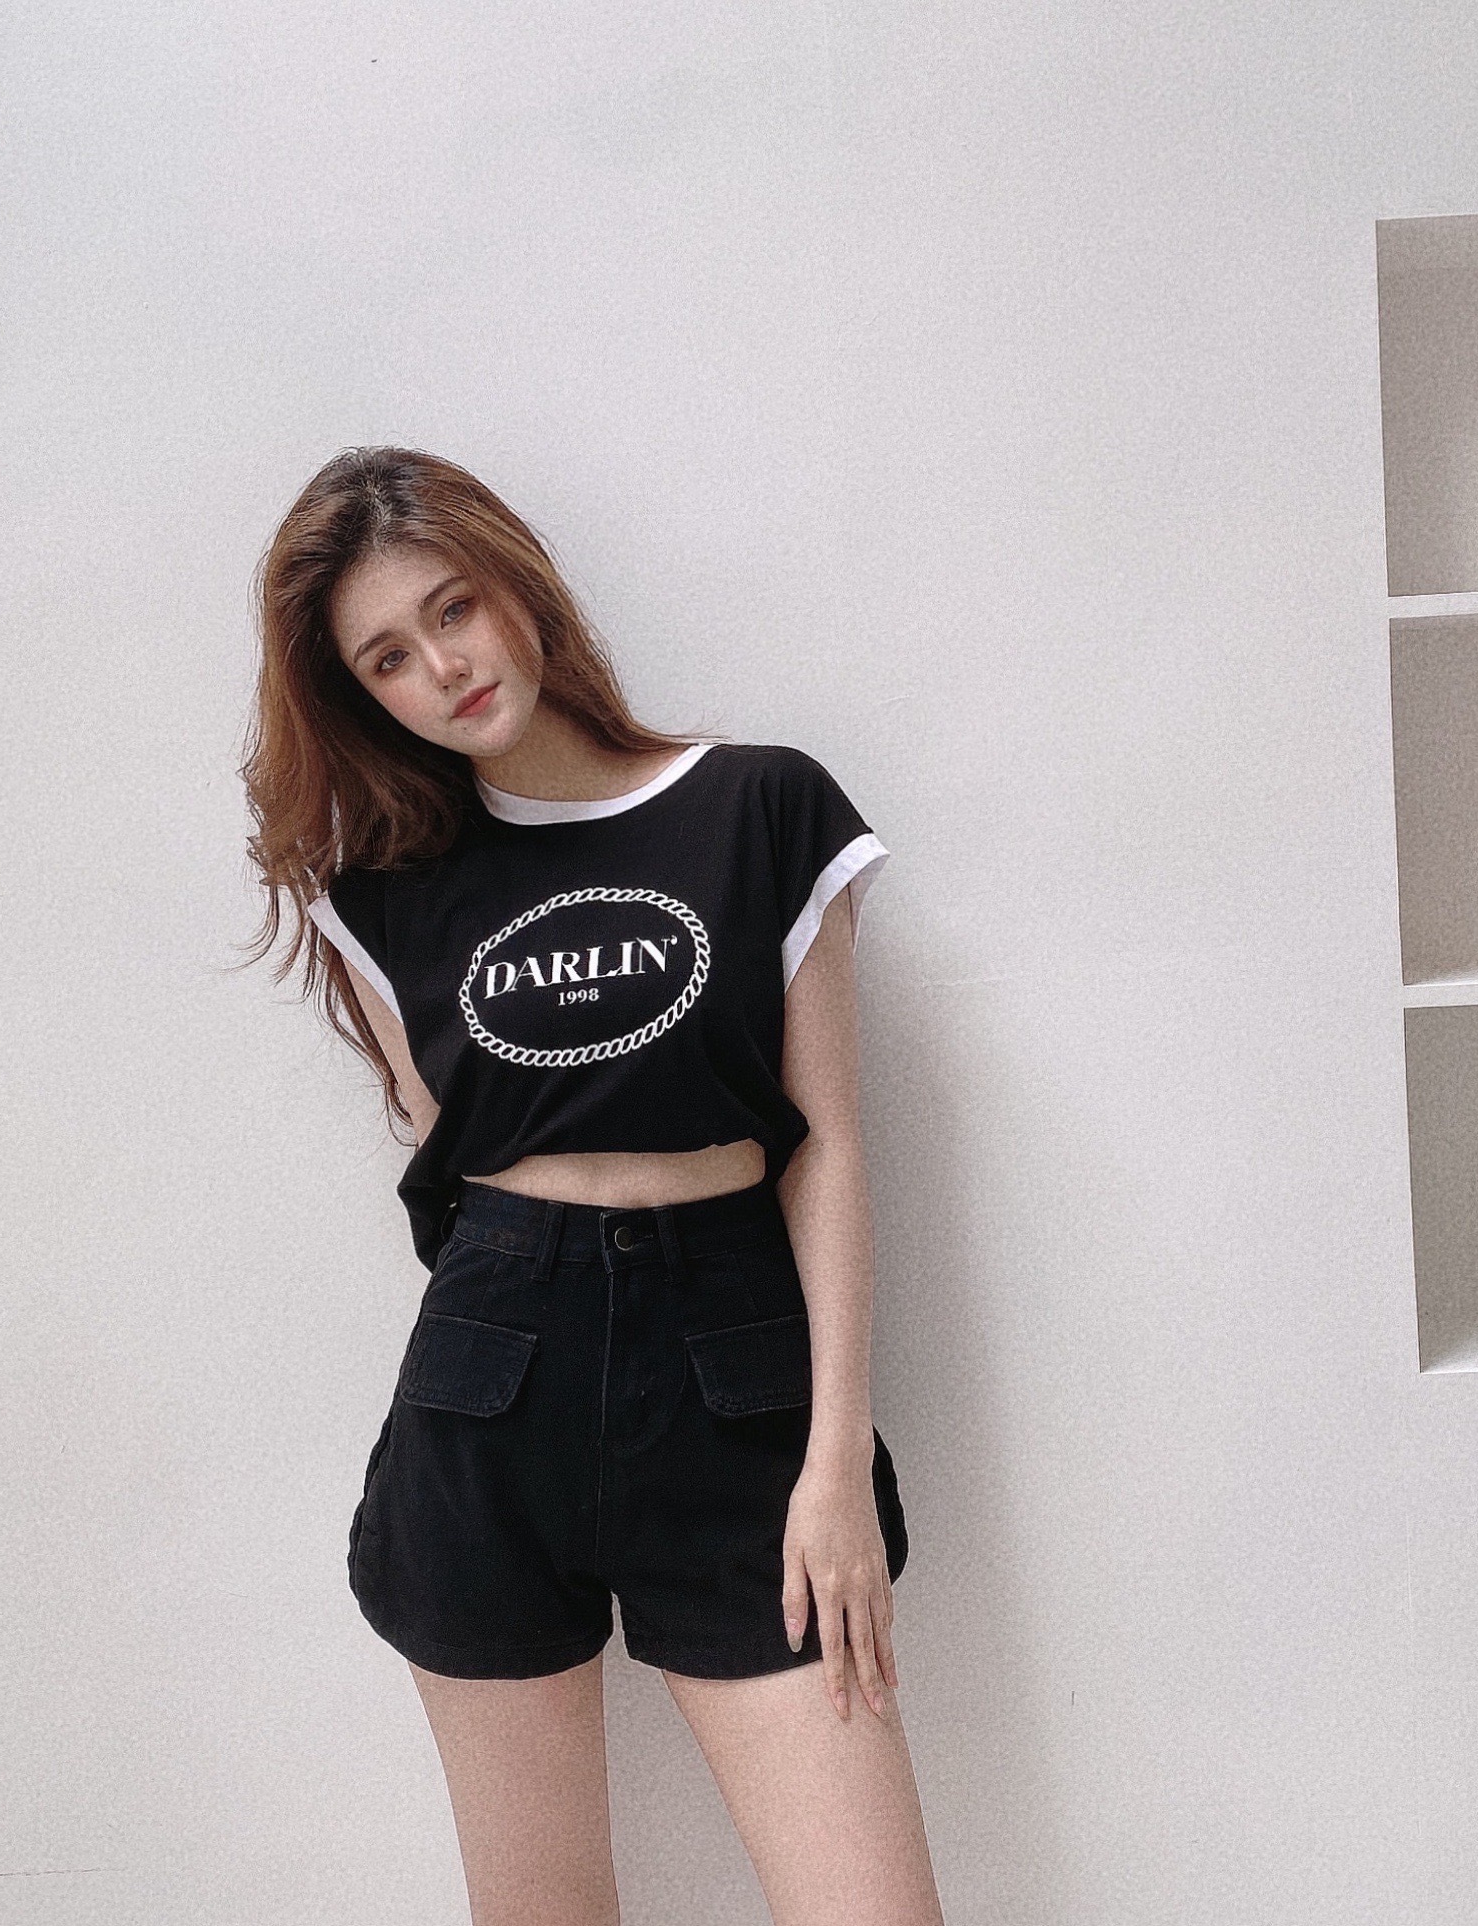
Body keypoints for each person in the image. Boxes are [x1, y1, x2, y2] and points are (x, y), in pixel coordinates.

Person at [240, 447, 945, 1925]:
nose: (442, 667)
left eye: (452, 609)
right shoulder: (382, 896)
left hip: (738, 1384)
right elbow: (453, 1165)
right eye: (387, 656)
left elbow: (825, 1144)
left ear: (519, 587)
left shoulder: (760, 806)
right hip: (492, 1389)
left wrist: (830, 1462)